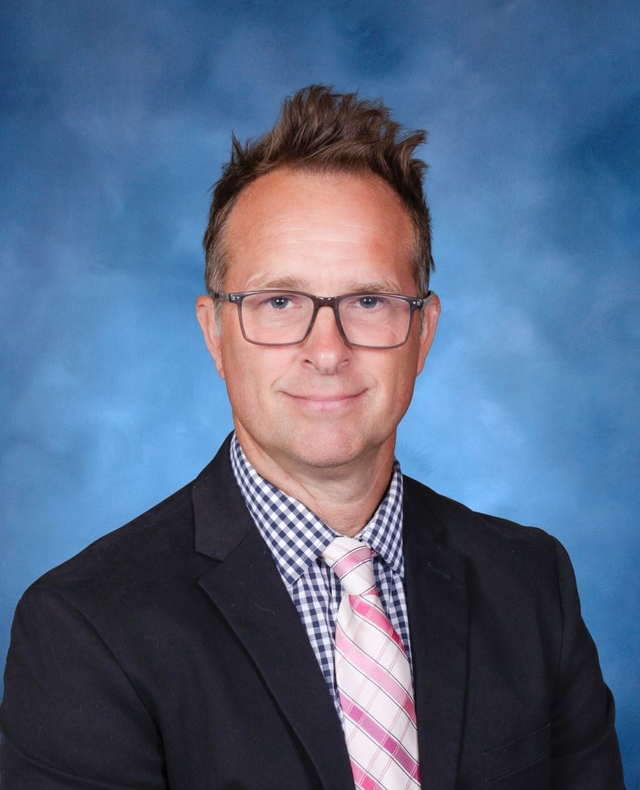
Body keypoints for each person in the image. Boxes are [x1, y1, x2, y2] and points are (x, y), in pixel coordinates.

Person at [0, 86, 625, 789]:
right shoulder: (86, 630)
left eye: (368, 301)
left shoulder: (531, 584)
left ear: (422, 331)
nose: (326, 350)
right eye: (278, 302)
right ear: (214, 332)